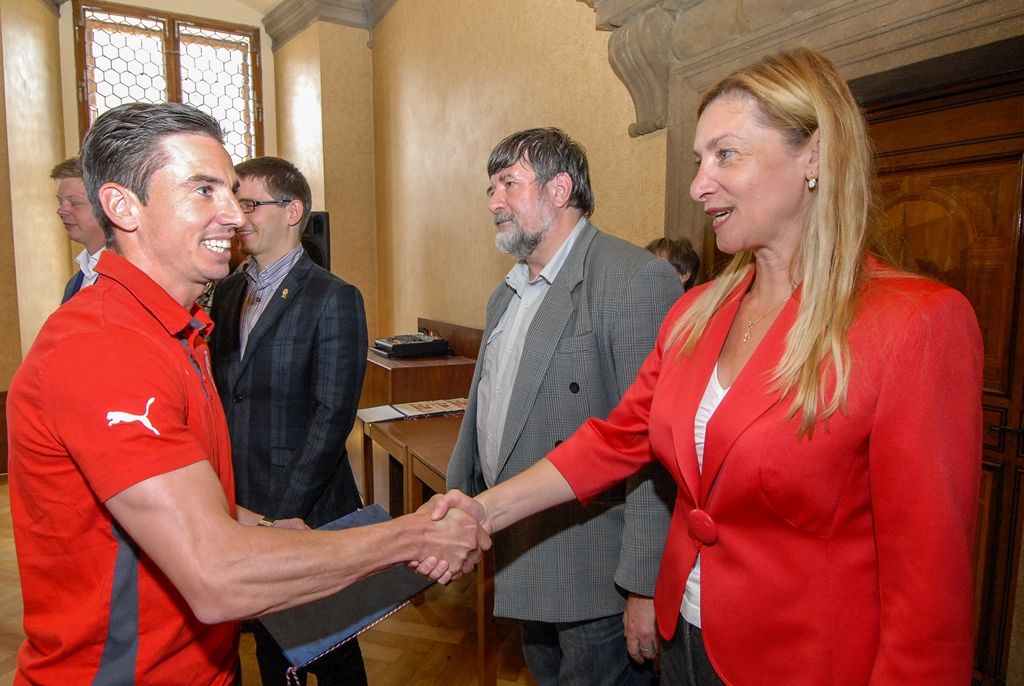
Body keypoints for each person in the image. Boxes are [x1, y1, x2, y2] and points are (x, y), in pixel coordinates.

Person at [426, 48, 982, 685]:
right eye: (698, 160)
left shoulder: (915, 324)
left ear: (815, 156)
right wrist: (485, 511)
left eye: (727, 155)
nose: (698, 186)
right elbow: (614, 440)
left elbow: (929, 602)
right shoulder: (697, 312)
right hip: (685, 642)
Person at [6, 102, 484, 685]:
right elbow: (216, 576)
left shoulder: (176, 333)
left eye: (233, 193)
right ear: (123, 206)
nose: (234, 215)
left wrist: (263, 526)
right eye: (203, 190)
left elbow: (175, 492)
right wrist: (415, 535)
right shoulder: (105, 347)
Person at [446, 127, 682, 685]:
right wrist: (459, 502)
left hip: (596, 573)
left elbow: (652, 446)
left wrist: (643, 586)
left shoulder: (633, 279)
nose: (494, 202)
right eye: (490, 188)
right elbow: (486, 410)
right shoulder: (505, 293)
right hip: (524, 552)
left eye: (509, 184)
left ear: (559, 189)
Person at [209, 156, 369, 686]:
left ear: (293, 210)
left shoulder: (333, 297)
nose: (238, 216)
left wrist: (279, 517)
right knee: (269, 646)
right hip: (241, 499)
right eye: (236, 204)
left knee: (330, 648)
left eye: (250, 204)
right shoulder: (226, 291)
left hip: (306, 507)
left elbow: (332, 416)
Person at [51, 156, 107, 302]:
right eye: (60, 202)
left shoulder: (131, 277)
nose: (61, 211)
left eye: (74, 203)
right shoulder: (74, 283)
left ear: (108, 205)